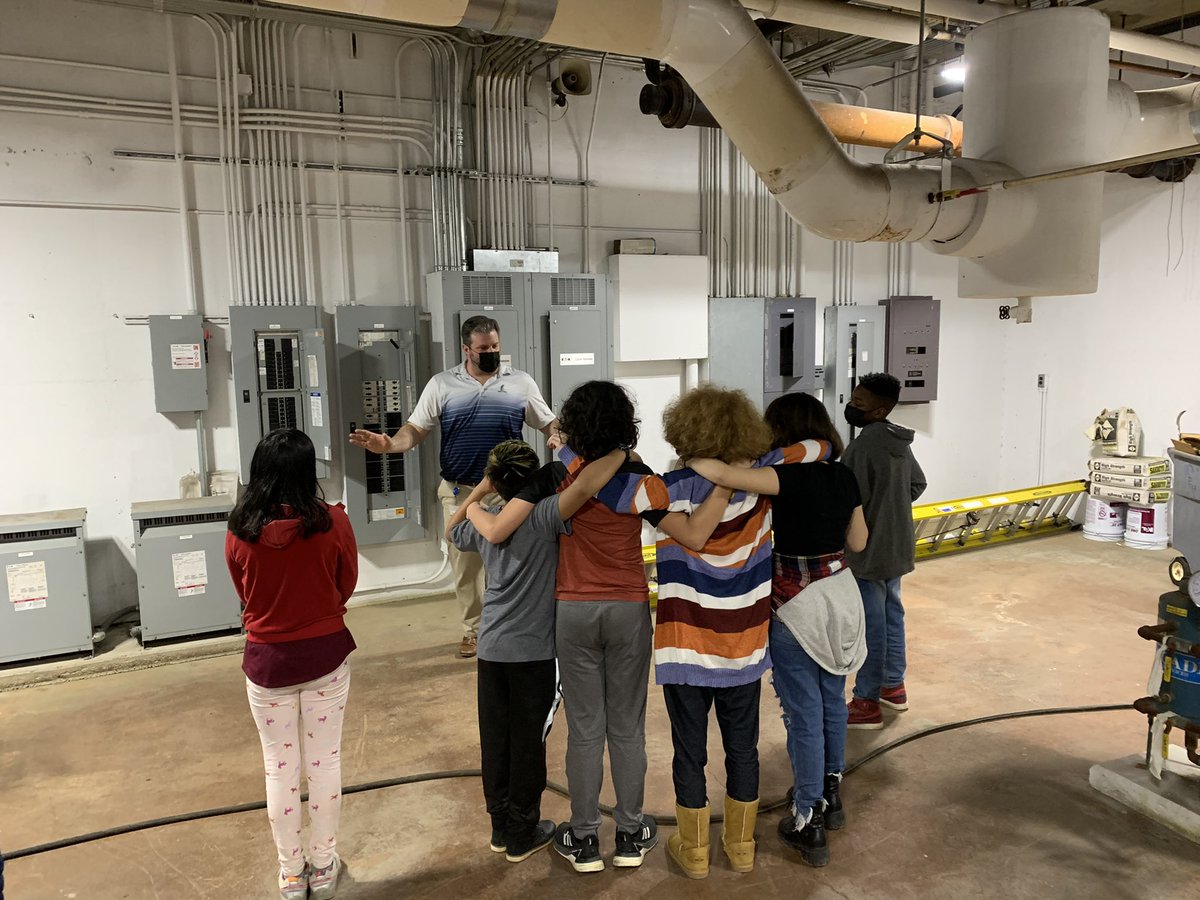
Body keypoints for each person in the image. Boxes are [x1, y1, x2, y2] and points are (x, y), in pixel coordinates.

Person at [464, 381, 728, 874]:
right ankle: (630, 833)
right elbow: (692, 535)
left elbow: (506, 524)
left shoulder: (557, 475)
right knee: (626, 727)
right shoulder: (640, 479)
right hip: (628, 609)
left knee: (584, 730)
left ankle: (583, 838)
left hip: (573, 612)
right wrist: (728, 487)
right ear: (625, 423)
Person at [651, 385, 832, 879]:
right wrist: (729, 474)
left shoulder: (666, 488)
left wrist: (707, 469)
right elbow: (822, 447)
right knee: (742, 748)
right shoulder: (764, 481)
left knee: (689, 750)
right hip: (744, 646)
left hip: (685, 644)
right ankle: (741, 846)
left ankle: (693, 853)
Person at [692, 392, 868, 869]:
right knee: (833, 700)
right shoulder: (843, 473)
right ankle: (831, 795)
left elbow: (725, 476)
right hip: (843, 595)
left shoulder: (781, 476)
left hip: (796, 604)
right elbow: (859, 541)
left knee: (803, 714)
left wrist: (690, 453)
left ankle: (807, 817)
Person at [444, 439, 626, 865]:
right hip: (534, 652)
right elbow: (580, 492)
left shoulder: (485, 521)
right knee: (527, 742)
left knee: (496, 740)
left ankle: (500, 828)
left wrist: (476, 495)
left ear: (497, 482)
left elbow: (451, 531)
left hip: (491, 649)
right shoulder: (545, 517)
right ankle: (523, 832)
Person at [348, 315, 558, 660]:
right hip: (462, 491)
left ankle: (505, 624)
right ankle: (473, 631)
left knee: (510, 564)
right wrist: (389, 445)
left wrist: (557, 434)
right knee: (466, 569)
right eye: (483, 348)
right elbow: (415, 430)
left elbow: (548, 421)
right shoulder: (442, 384)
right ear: (466, 349)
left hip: (510, 495)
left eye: (495, 347)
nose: (490, 353)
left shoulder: (520, 382)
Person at [226, 429, 358, 900]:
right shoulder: (333, 523)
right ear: (309, 472)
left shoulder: (239, 531)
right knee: (324, 764)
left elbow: (245, 594)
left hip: (267, 665)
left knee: (279, 769)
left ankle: (290, 874)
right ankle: (323, 868)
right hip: (325, 657)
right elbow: (346, 583)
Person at [841, 372, 927, 729]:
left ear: (879, 411)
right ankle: (893, 687)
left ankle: (866, 701)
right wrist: (890, 511)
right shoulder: (898, 441)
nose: (851, 407)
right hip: (897, 545)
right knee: (892, 614)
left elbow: (846, 497)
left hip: (869, 551)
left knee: (871, 625)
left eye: (859, 404)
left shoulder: (864, 446)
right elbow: (918, 483)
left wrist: (867, 521)